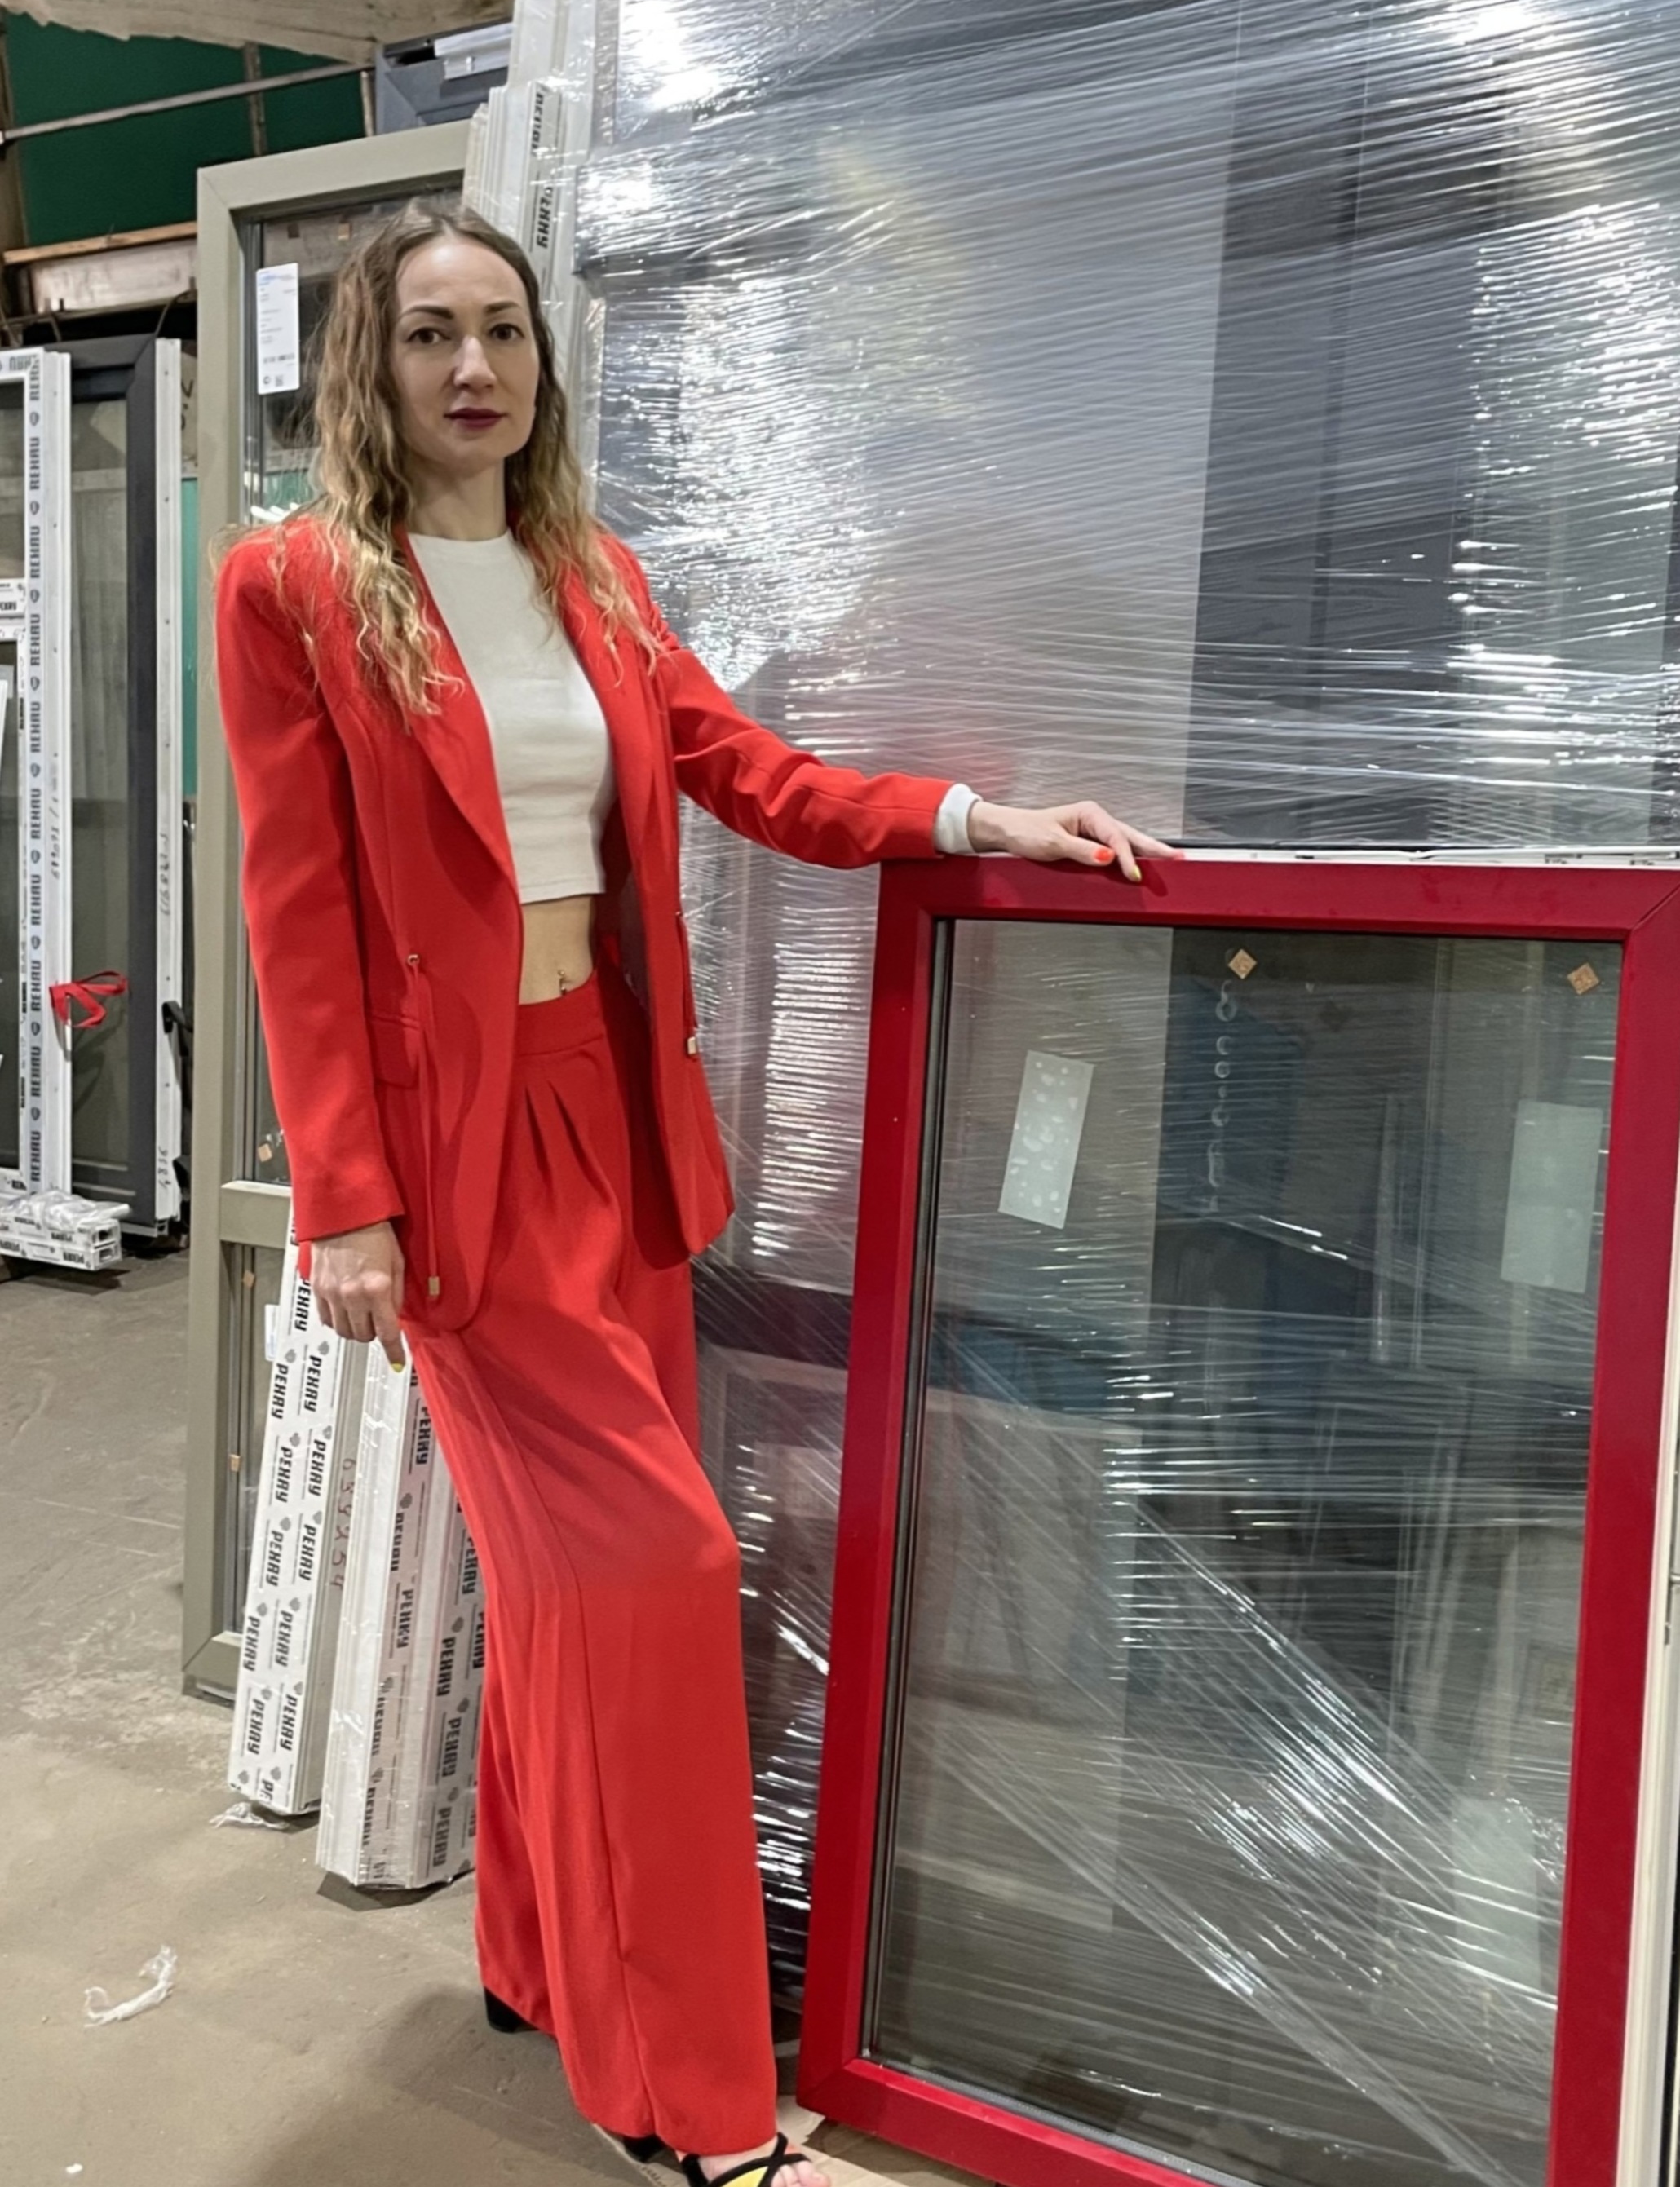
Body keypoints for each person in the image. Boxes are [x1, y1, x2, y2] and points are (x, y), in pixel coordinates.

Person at [213, 205, 1169, 2187]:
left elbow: (749, 772)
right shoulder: (295, 587)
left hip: (615, 1127)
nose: (474, 368)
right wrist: (344, 1202)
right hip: (455, 1169)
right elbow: (296, 911)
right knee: (657, 1578)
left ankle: (536, 1956)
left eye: (504, 331)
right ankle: (695, 2098)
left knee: (572, 1591)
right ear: (368, 366)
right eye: (430, 335)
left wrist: (977, 818)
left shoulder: (593, 573)